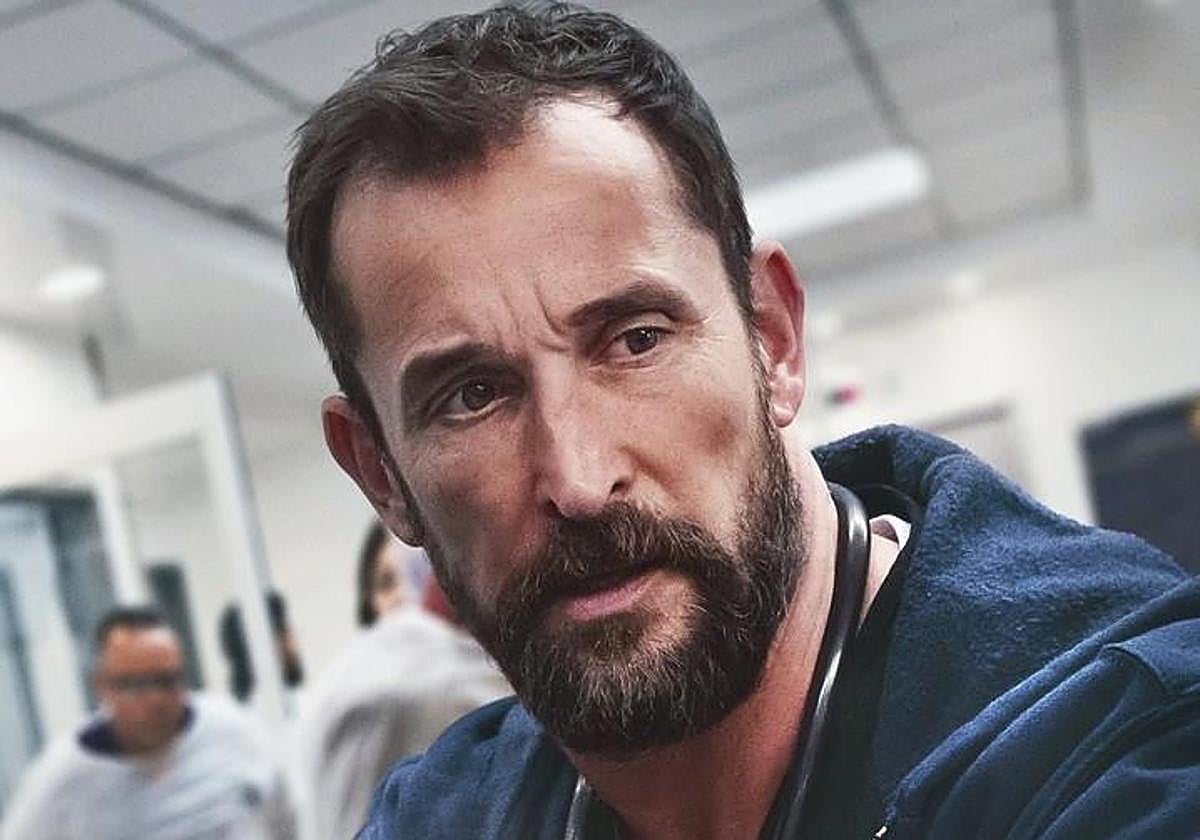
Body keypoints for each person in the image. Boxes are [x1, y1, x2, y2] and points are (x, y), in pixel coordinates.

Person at [284, 4, 1200, 839]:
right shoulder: (447, 814)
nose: (578, 478)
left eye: (636, 340)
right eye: (472, 395)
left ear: (773, 340)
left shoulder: (1119, 738)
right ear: (382, 476)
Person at [1, 606, 295, 840]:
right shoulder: (63, 780)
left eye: (166, 680)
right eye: (135, 685)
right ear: (102, 686)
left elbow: (290, 819)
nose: (155, 700)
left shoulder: (234, 732)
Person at [293, 524, 508, 840]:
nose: (401, 596)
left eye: (406, 578)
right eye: (387, 583)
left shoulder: (454, 668)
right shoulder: (396, 692)